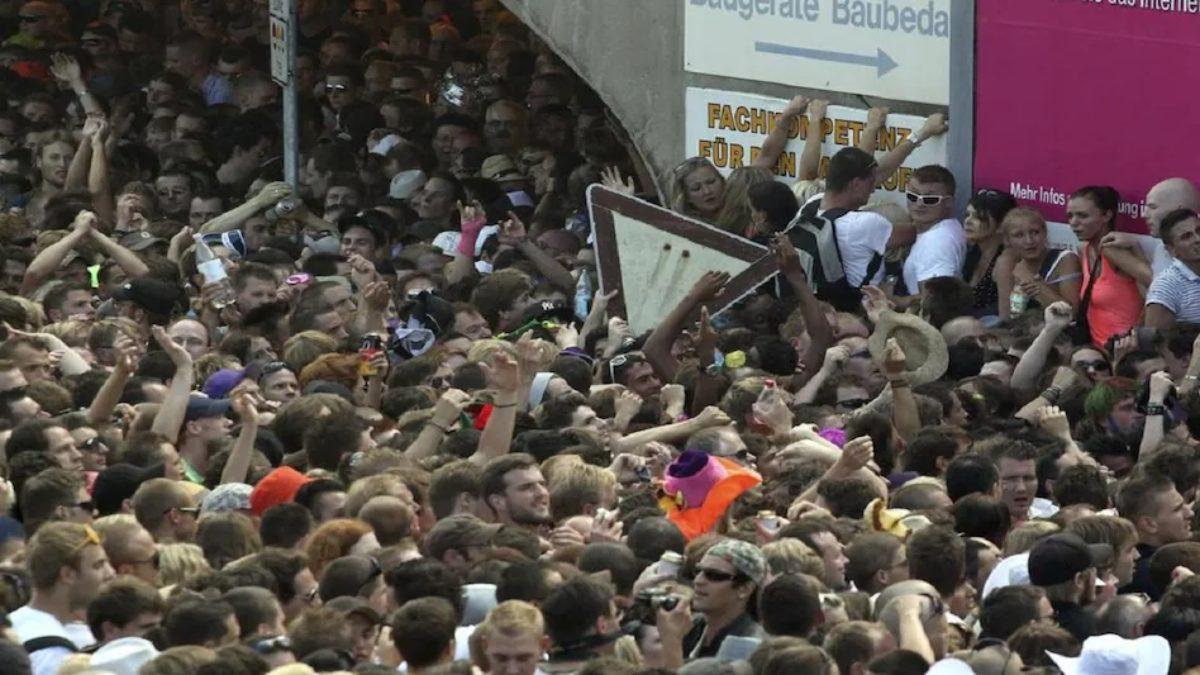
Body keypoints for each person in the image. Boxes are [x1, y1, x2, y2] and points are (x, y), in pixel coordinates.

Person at [1070, 186, 1148, 346]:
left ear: (1107, 215)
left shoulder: (1113, 251)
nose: (1073, 223)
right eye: (1070, 216)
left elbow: (1157, 283)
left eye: (1082, 216)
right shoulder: (1084, 249)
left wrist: (1136, 247)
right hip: (1097, 349)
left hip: (1123, 350)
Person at [996, 206, 1080, 321]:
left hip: (1060, 335)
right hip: (1021, 334)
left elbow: (1071, 315)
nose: (1029, 241)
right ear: (1007, 240)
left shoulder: (1065, 259)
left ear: (1045, 233)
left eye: (1035, 232)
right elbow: (1005, 318)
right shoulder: (1010, 264)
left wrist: (1034, 284)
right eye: (1019, 235)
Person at [961, 188, 1017, 318]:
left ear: (1000, 226)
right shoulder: (973, 252)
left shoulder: (1006, 259)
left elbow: (1007, 317)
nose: (968, 221)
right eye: (967, 214)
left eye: (979, 217)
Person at [1145, 209, 1200, 327]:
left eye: (1199, 230)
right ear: (1171, 249)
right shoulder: (1166, 286)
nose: (1197, 239)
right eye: (1186, 237)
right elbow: (1155, 341)